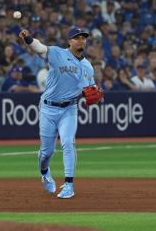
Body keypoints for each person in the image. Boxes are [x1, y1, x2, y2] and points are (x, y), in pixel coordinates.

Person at [18, 26, 103, 199]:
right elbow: (40, 48)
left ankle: (69, 185)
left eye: (83, 38)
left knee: (68, 143)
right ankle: (44, 172)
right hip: (48, 108)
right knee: (46, 153)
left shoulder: (87, 66)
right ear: (69, 41)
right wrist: (29, 39)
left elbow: (90, 89)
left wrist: (95, 95)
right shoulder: (57, 53)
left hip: (69, 109)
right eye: (76, 37)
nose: (80, 40)